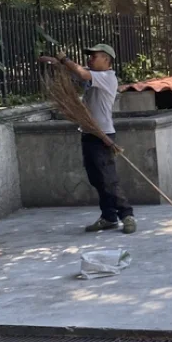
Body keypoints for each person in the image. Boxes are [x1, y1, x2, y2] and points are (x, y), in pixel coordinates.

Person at [38, 44, 137, 234]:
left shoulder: (107, 77)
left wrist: (64, 58)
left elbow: (81, 73)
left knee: (108, 179)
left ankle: (127, 215)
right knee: (97, 179)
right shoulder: (93, 76)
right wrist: (55, 63)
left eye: (94, 56)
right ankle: (109, 217)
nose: (89, 59)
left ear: (106, 60)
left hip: (103, 135)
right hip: (89, 133)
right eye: (89, 57)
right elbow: (74, 72)